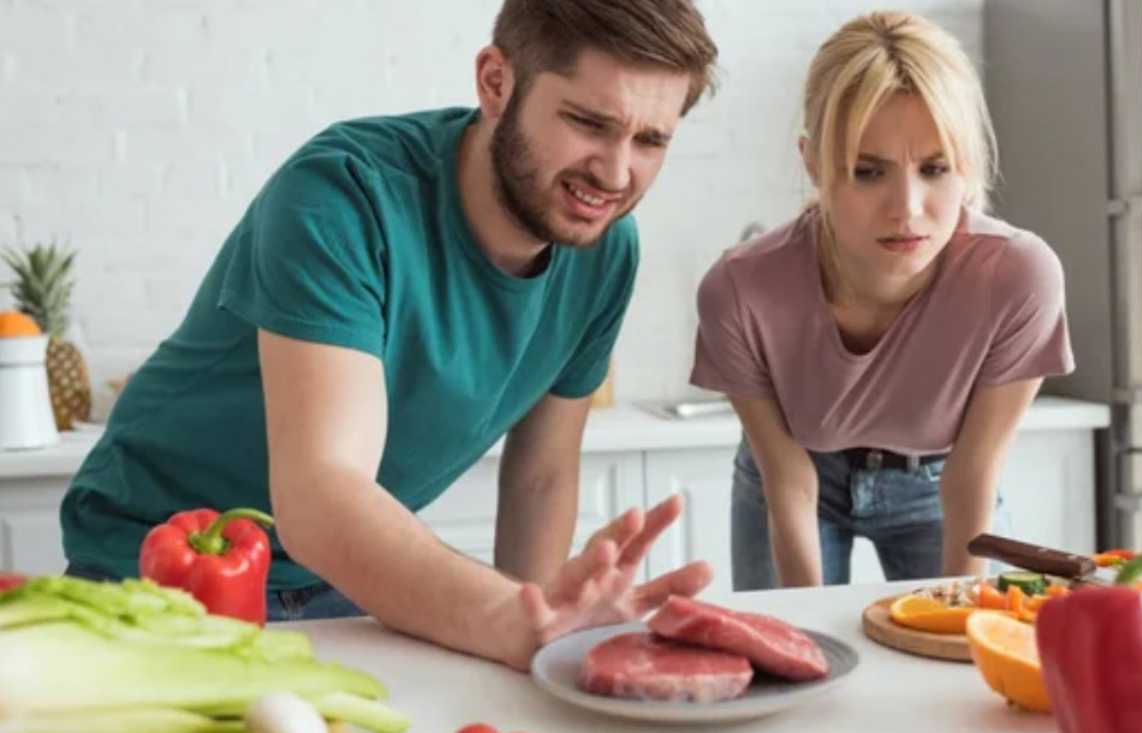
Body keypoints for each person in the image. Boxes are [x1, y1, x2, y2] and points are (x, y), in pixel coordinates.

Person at [59, 0, 718, 670]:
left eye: (651, 141)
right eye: (587, 122)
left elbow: (541, 476)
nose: (613, 173)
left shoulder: (604, 248)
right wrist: (514, 622)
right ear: (495, 81)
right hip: (163, 566)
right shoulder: (343, 195)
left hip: (348, 586)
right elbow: (322, 496)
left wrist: (541, 635)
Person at [690, 11, 1074, 591]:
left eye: (935, 168)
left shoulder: (1019, 279)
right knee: (789, 668)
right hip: (799, 471)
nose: (907, 208)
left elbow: (973, 472)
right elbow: (788, 477)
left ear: (965, 166)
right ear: (814, 163)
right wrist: (805, 630)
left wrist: (960, 630)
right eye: (868, 172)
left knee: (968, 653)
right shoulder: (740, 290)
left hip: (940, 477)